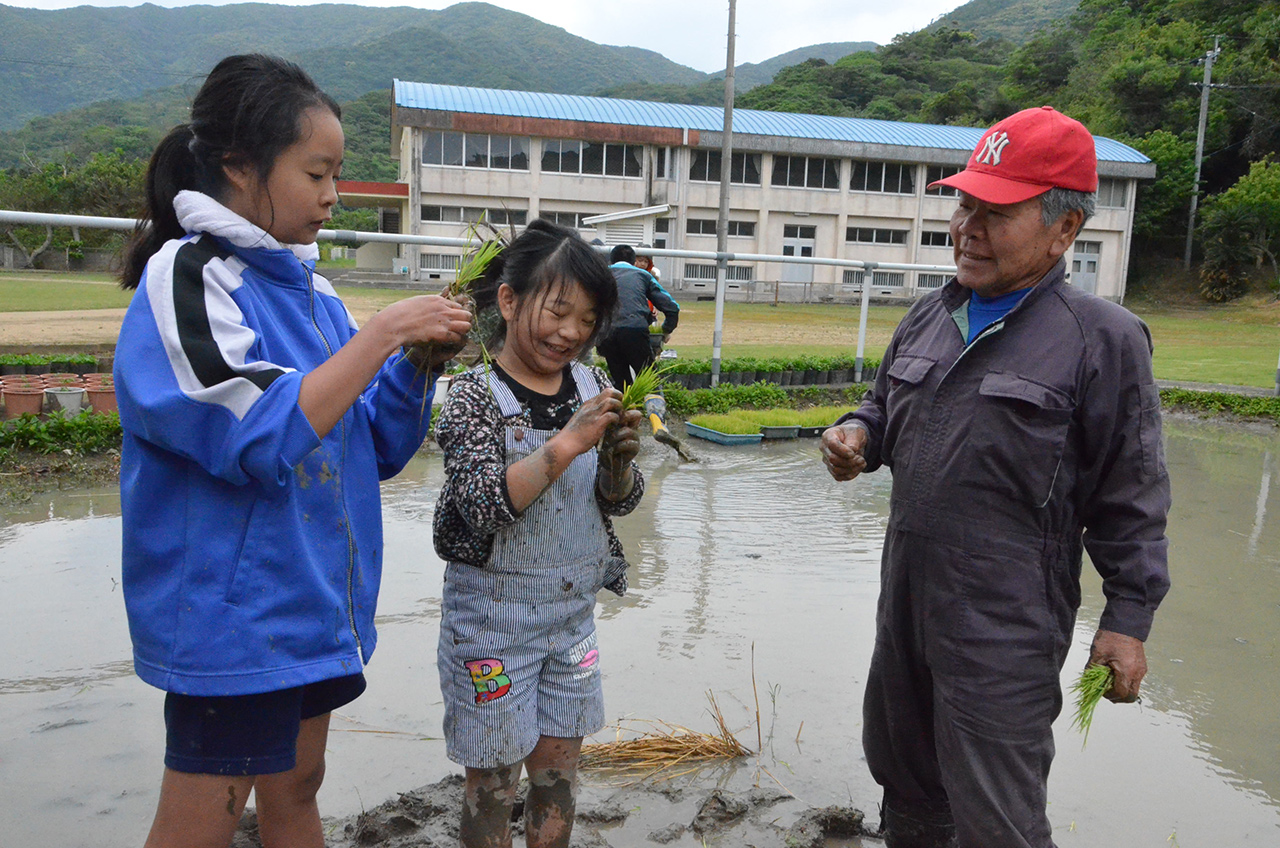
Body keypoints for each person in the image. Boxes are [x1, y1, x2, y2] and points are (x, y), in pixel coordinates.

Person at [114, 54, 473, 848]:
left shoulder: (316, 294)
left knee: (299, 788)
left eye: (336, 174)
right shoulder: (191, 276)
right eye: (317, 172)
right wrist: (383, 333)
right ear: (240, 168)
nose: (332, 195)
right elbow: (255, 431)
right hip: (234, 616)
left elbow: (374, 443)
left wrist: (413, 364)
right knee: (204, 814)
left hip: (311, 606)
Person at [820, 106, 1171, 848]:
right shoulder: (928, 313)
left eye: (996, 211)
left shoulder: (1101, 339)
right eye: (965, 203)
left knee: (997, 815)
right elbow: (881, 407)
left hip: (1004, 623)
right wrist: (858, 434)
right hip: (904, 603)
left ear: (1064, 229)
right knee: (905, 782)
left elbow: (1131, 494)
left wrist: (1127, 620)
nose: (967, 227)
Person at [431, 219, 647, 848]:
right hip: (492, 623)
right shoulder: (472, 396)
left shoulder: (593, 386)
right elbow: (481, 506)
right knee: (493, 784)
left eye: (586, 320)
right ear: (508, 300)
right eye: (557, 313)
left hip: (572, 618)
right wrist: (572, 440)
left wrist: (617, 463)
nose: (571, 334)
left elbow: (617, 504)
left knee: (558, 776)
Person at [596, 243, 679, 389]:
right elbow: (672, 307)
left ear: (611, 260)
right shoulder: (643, 275)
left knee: (621, 384)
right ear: (633, 261)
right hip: (634, 330)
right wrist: (665, 330)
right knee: (649, 380)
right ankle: (654, 409)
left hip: (607, 333)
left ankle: (624, 409)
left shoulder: (601, 274)